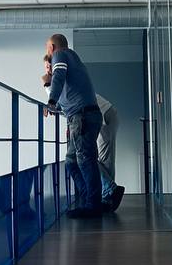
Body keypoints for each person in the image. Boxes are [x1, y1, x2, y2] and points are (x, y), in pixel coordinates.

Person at [44, 55, 125, 213]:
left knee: (99, 159)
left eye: (49, 66)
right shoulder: (65, 81)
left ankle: (109, 193)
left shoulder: (63, 80)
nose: (47, 70)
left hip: (105, 116)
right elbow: (63, 105)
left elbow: (58, 100)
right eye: (46, 67)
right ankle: (108, 194)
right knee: (94, 159)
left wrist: (46, 84)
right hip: (98, 115)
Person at [44, 34, 104, 219]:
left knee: (85, 160)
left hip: (82, 117)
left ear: (52, 47)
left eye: (47, 47)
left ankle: (93, 205)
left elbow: (59, 77)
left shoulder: (60, 55)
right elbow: (67, 96)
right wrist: (55, 104)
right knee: (71, 162)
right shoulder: (73, 58)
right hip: (81, 117)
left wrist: (51, 101)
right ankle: (89, 201)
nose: (47, 51)